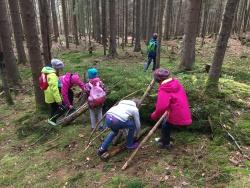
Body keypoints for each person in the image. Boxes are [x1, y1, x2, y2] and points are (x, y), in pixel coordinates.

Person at [151, 68, 192, 149]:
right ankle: (165, 138)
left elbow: (161, 107)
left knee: (166, 125)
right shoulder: (175, 82)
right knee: (165, 124)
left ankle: (166, 144)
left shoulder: (164, 89)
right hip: (182, 109)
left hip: (176, 113)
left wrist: (154, 115)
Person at [40, 59, 65, 126]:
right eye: (59, 69)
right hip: (53, 96)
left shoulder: (46, 72)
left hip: (48, 95)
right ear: (56, 68)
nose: (59, 70)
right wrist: (59, 100)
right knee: (63, 108)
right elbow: (55, 89)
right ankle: (52, 120)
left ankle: (52, 121)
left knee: (54, 109)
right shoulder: (52, 75)